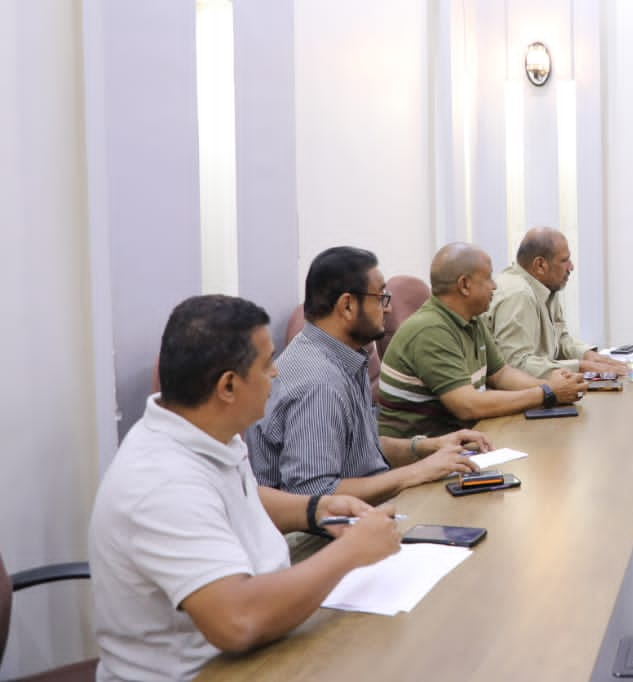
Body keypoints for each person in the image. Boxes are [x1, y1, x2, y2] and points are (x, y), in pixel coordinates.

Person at [90, 295, 402, 681]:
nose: (276, 373)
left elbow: (238, 496)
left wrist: (317, 509)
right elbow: (237, 621)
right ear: (228, 386)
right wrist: (352, 552)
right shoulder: (160, 483)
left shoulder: (204, 429)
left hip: (263, 643)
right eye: (268, 363)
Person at [248, 247, 485, 505]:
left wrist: (427, 447)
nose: (388, 307)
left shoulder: (345, 356)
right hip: (317, 536)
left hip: (358, 513)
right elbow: (314, 492)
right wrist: (417, 472)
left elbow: (362, 449)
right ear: (347, 305)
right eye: (381, 296)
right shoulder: (319, 383)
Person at [378, 242, 588, 438]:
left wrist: (552, 386)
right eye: (488, 278)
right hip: (425, 456)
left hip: (464, 440)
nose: (494, 286)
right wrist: (547, 392)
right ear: (465, 285)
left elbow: (501, 374)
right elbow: (468, 405)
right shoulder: (430, 329)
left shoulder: (471, 318)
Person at [486, 227, 628, 377]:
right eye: (564, 260)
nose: (571, 267)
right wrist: (581, 367)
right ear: (540, 265)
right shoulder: (518, 294)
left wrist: (587, 355)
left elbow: (559, 341)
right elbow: (516, 365)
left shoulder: (545, 286)